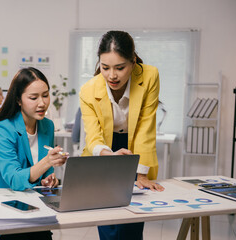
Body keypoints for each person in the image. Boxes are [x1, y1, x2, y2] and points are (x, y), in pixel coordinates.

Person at [79, 30, 165, 240]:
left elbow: (146, 127)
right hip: (104, 150)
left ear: (133, 61)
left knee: (133, 217)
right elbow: (93, 137)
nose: (112, 75)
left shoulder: (149, 75)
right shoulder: (88, 91)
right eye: (105, 67)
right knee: (109, 218)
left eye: (120, 67)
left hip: (136, 146)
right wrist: (107, 156)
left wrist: (141, 174)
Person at [0, 67, 68, 240]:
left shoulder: (47, 126)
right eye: (33, 98)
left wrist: (49, 180)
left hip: (30, 206)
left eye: (45, 95)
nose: (42, 103)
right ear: (18, 100)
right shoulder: (2, 129)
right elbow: (14, 179)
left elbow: (43, 174)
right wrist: (47, 162)